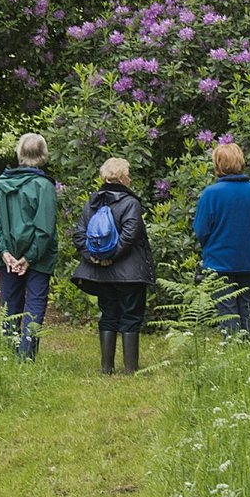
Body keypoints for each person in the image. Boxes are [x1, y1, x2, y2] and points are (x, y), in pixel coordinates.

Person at [71, 157, 155, 375]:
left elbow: (79, 234)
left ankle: (106, 367)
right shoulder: (131, 203)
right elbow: (129, 236)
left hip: (101, 273)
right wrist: (113, 256)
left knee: (108, 315)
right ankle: (130, 369)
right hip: (129, 273)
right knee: (131, 316)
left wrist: (95, 258)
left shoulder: (92, 202)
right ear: (124, 177)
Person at [0, 133, 58, 361]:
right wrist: (30, 257)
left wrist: (4, 253)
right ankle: (26, 357)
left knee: (9, 305)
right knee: (34, 304)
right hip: (38, 257)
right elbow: (45, 229)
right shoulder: (43, 186)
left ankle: (9, 354)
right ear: (43, 155)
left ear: (20, 154)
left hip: (10, 257)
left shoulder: (1, 183)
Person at [193, 143, 250, 337]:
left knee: (227, 310)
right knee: (247, 308)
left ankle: (233, 351)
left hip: (220, 262)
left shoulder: (211, 194)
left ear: (217, 164)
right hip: (249, 260)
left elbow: (201, 230)